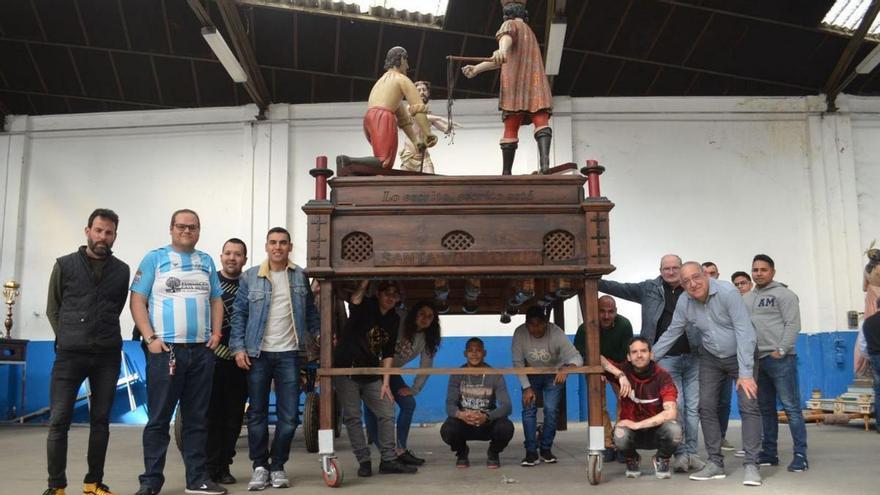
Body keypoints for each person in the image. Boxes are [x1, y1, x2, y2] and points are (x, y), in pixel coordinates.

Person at [131, 209, 225, 495]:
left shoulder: (206, 261)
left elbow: (216, 300)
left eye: (193, 227)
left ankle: (197, 480)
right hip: (166, 353)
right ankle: (150, 483)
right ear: (171, 228)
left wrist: (217, 334)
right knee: (159, 419)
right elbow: (137, 300)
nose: (187, 231)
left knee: (197, 420)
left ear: (199, 230)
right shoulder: (154, 258)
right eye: (182, 226)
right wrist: (150, 339)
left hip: (201, 353)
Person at [653, 262, 762, 487]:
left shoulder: (728, 293)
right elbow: (673, 331)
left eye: (696, 277)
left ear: (706, 275)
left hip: (741, 355)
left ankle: (752, 465)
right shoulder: (685, 301)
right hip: (711, 357)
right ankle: (715, 463)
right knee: (706, 407)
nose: (692, 284)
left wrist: (746, 372)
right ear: (681, 285)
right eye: (686, 282)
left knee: (748, 406)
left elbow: (745, 331)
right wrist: (649, 357)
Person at [44, 208, 130, 495]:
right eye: (98, 230)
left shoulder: (122, 270)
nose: (103, 237)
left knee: (101, 421)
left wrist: (98, 333)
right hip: (70, 354)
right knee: (59, 420)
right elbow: (53, 307)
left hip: (106, 355)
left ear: (115, 236)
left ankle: (93, 483)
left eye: (109, 232)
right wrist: (68, 335)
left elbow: (115, 307)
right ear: (87, 231)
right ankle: (56, 486)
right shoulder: (64, 265)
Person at [229, 227, 320, 490]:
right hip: (258, 355)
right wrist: (238, 349)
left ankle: (278, 465)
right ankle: (260, 466)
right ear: (266, 246)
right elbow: (239, 315)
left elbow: (311, 313)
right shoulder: (250, 277)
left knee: (290, 417)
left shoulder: (300, 277)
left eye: (282, 243)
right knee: (256, 414)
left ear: (289, 247)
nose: (277, 247)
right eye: (273, 243)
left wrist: (320, 334)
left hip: (290, 355)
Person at [598, 254, 704, 473]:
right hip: (666, 358)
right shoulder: (649, 289)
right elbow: (620, 288)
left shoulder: (692, 288)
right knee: (680, 407)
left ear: (682, 268)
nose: (671, 272)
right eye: (667, 268)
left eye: (675, 267)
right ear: (660, 270)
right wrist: (592, 280)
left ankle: (691, 453)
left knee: (694, 408)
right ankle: (681, 454)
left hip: (694, 356)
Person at [334, 280, 417, 476]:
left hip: (371, 372)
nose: (391, 298)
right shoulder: (366, 305)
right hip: (347, 370)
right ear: (378, 294)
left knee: (387, 412)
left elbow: (388, 353)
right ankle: (364, 460)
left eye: (395, 295)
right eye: (387, 293)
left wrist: (386, 382)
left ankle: (388, 459)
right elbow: (354, 301)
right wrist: (365, 280)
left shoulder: (394, 319)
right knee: (353, 417)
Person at [461, 0, 554, 175]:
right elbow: (503, 59)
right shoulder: (530, 32)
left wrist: (501, 49)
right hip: (535, 82)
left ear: (506, 14)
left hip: (514, 84)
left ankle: (506, 172)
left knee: (511, 126)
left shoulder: (509, 24)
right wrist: (477, 69)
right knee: (541, 121)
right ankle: (545, 164)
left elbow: (505, 41)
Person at [743, 254, 808, 472]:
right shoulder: (747, 298)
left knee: (791, 408)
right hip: (757, 362)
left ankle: (800, 455)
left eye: (763, 269)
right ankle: (770, 453)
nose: (758, 273)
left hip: (780, 359)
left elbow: (793, 324)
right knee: (765, 409)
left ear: (773, 271)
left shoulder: (785, 294)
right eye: (755, 270)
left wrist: (781, 350)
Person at [364, 300, 442, 465]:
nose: (425, 319)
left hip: (391, 372)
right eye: (421, 314)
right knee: (373, 409)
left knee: (408, 403)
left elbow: (426, 366)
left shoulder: (427, 338)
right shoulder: (400, 318)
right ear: (414, 314)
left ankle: (401, 449)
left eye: (429, 317)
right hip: (372, 368)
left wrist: (414, 389)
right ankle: (386, 453)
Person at [337, 47, 436, 170]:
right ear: (401, 59)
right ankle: (348, 161)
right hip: (382, 117)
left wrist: (415, 141)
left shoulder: (382, 82)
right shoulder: (402, 79)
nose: (408, 66)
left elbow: (403, 119)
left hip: (369, 119)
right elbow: (418, 108)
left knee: (382, 161)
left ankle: (355, 165)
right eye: (406, 61)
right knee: (384, 161)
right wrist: (428, 133)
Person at [511, 305, 583, 466]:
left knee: (551, 411)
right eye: (532, 324)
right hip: (531, 373)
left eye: (539, 324)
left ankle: (545, 449)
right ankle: (531, 452)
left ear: (546, 323)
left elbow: (577, 357)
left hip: (553, 374)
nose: (536, 328)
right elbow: (517, 362)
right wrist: (526, 387)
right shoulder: (520, 333)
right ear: (526, 324)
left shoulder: (556, 333)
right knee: (529, 409)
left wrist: (567, 368)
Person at [205, 239, 248, 485]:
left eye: (238, 254)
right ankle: (209, 467)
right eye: (228, 253)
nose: (232, 258)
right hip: (211, 360)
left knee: (233, 418)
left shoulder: (249, 285)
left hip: (239, 362)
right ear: (221, 256)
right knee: (211, 417)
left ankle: (224, 466)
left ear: (245, 259)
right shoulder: (211, 284)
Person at [573, 295, 633, 461]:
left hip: (618, 368)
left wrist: (620, 376)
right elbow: (579, 354)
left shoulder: (624, 325)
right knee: (598, 405)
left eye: (610, 312)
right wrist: (597, 371)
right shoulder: (585, 328)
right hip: (595, 368)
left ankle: (621, 441)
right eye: (602, 311)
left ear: (616, 312)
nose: (606, 316)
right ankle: (606, 443)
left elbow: (626, 356)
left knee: (625, 402)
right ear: (595, 311)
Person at [612, 337, 682, 480]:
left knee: (675, 430)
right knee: (619, 433)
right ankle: (632, 459)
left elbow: (671, 413)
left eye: (643, 351)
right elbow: (597, 359)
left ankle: (661, 459)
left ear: (651, 355)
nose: (639, 355)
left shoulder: (663, 376)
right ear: (628, 357)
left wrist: (637, 425)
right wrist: (619, 375)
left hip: (657, 432)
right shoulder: (623, 371)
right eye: (634, 352)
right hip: (631, 434)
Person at [440, 337, 515, 469]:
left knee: (506, 427)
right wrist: (461, 415)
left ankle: (493, 453)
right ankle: (462, 453)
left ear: (484, 353)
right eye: (470, 351)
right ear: (465, 353)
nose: (474, 354)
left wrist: (486, 417)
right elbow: (449, 405)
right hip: (464, 422)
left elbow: (507, 406)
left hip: (486, 422)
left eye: (478, 350)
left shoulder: (495, 375)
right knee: (447, 430)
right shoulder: (457, 374)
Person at [722, 270, 754, 454]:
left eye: (743, 283)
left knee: (753, 403)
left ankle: (757, 446)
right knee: (723, 403)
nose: (740, 287)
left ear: (750, 284)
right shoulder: (729, 303)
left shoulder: (755, 302)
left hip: (754, 357)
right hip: (730, 358)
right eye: (736, 284)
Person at [398, 81, 459, 173]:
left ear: (428, 93)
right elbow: (420, 117)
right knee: (404, 185)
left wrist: (449, 127)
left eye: (424, 90)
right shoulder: (409, 108)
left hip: (424, 157)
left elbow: (443, 128)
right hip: (409, 157)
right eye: (418, 90)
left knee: (432, 182)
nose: (422, 92)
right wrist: (440, 118)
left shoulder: (429, 114)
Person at [861, 297, 880, 433]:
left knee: (878, 392)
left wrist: (871, 356)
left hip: (875, 358)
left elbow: (862, 345)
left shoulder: (867, 322)